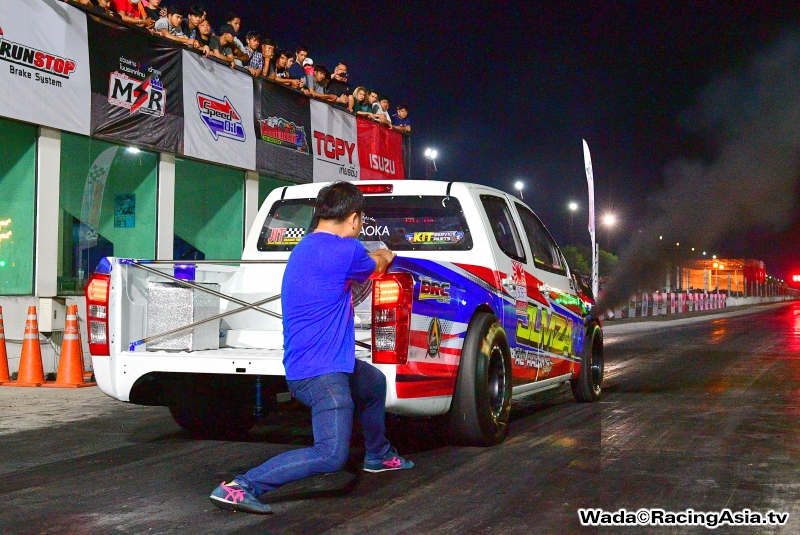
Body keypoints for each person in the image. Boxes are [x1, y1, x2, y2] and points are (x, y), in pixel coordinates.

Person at [209, 182, 414, 515]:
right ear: (354, 219)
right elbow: (375, 262)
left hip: (315, 363)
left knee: (373, 382)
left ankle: (378, 455)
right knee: (331, 455)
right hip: (322, 374)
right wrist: (385, 254)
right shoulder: (345, 251)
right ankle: (241, 486)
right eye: (359, 222)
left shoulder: (304, 247)